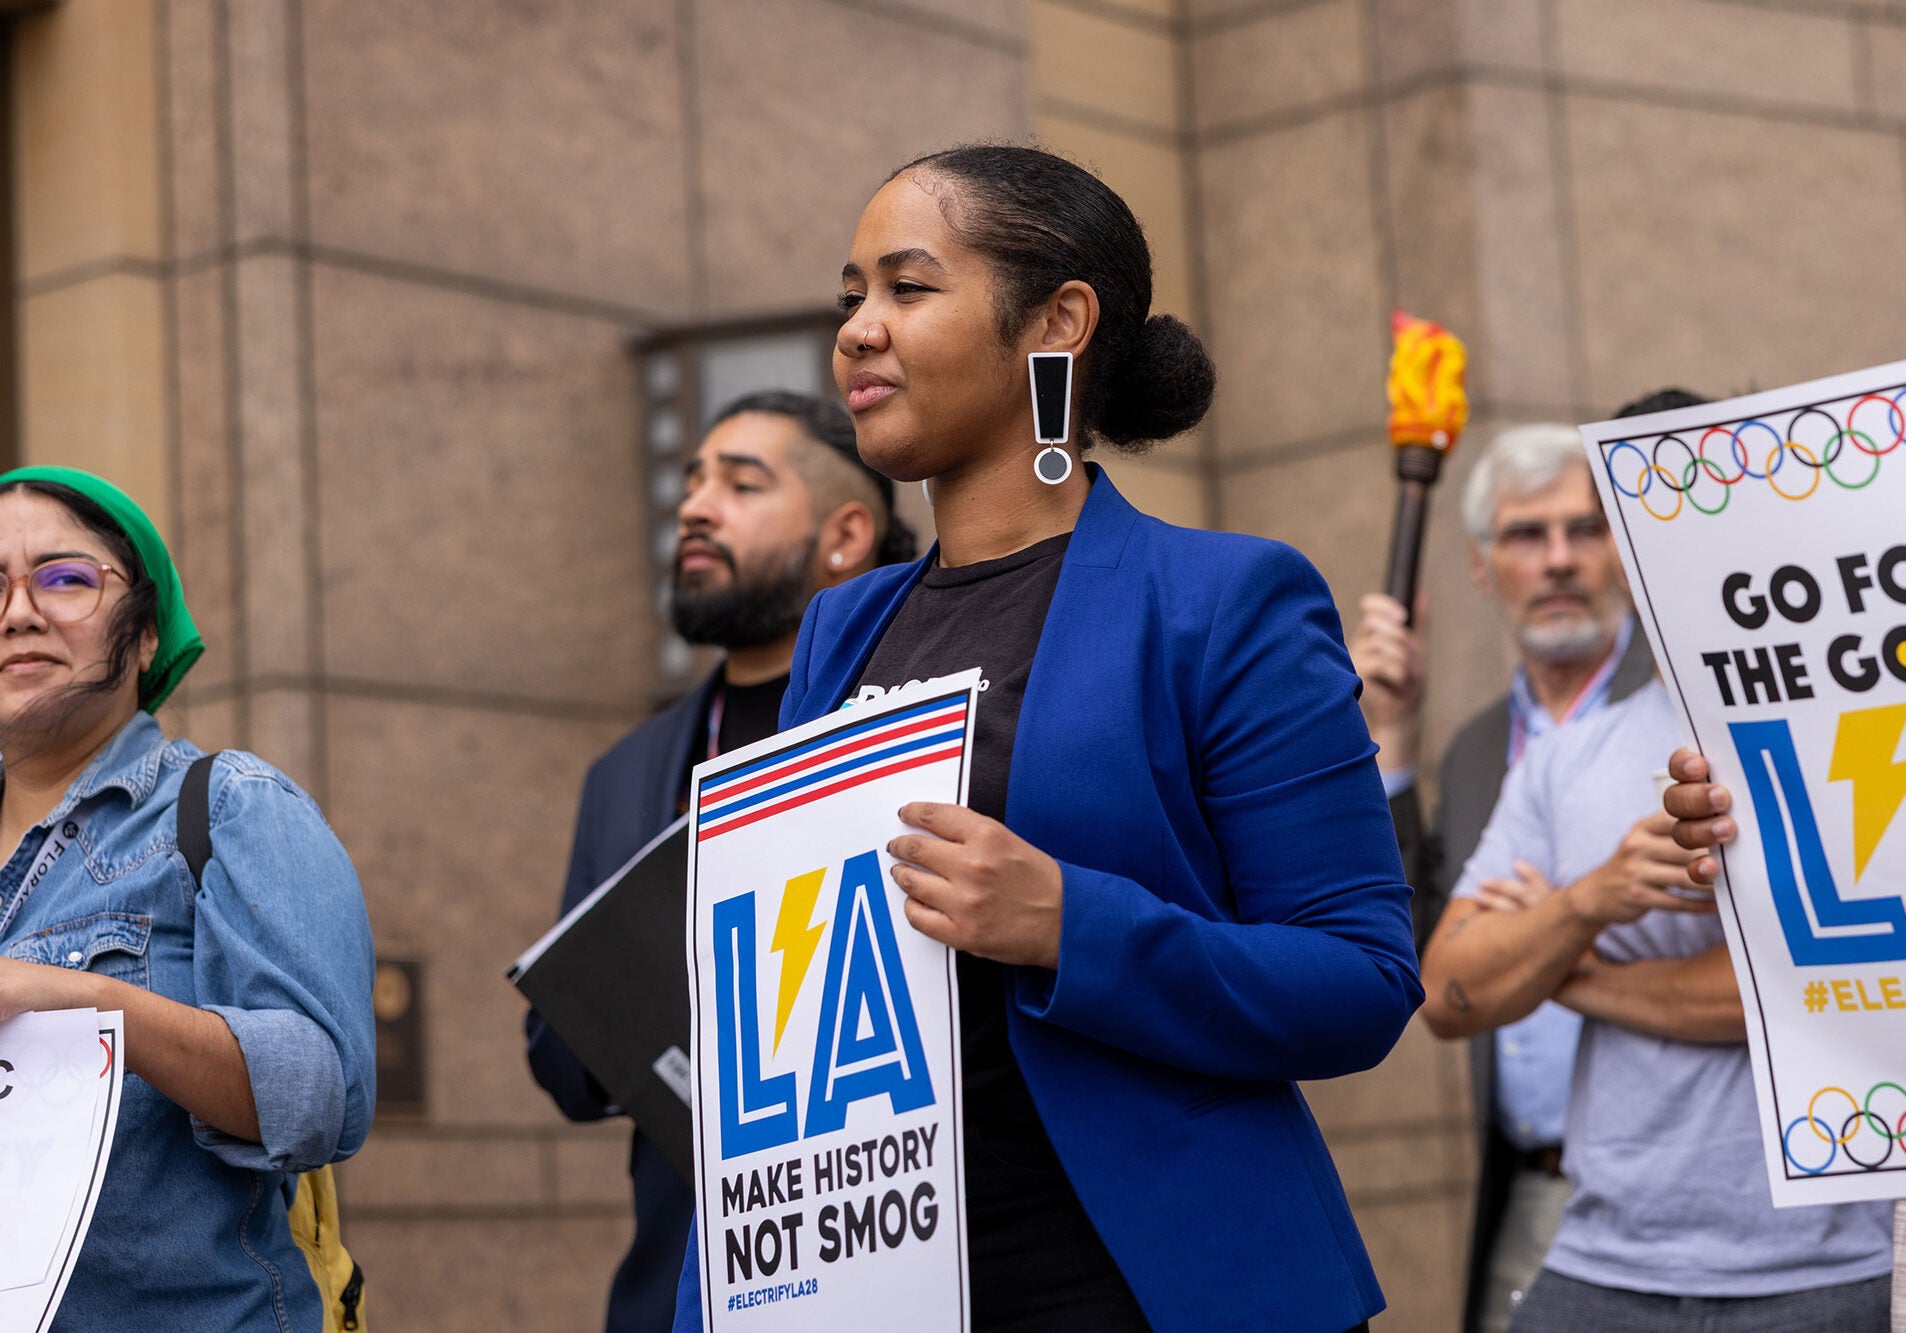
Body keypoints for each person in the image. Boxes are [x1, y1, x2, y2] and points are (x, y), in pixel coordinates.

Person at [673, 145, 1421, 1332]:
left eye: (907, 288)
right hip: (874, 1280)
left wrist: (1070, 923)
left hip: (1144, 1285)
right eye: (849, 297)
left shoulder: (1221, 600)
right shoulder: (837, 631)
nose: (858, 330)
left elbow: (1363, 981)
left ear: (1056, 322)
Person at [524, 390, 916, 1332]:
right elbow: (561, 1062)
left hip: (905, 1258)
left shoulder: (914, 713)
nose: (696, 505)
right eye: (693, 480)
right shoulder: (627, 774)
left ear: (847, 533)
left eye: (742, 484)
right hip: (689, 1286)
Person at [0, 466, 375, 1331]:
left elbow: (322, 1096)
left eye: (64, 578)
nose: (20, 610)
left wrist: (84, 999)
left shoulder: (232, 805)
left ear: (143, 639)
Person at [1418, 676, 1894, 1330]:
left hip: (1821, 1266)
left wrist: (1564, 965)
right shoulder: (1570, 754)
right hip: (1597, 1258)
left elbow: (1807, 986)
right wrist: (1592, 898)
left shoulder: (1859, 723)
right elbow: (1449, 993)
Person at [1350, 407, 1673, 1333]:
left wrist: (1536, 945)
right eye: (1527, 536)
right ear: (1484, 569)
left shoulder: (1679, 702)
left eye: (1584, 529)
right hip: (1531, 1190)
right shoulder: (1480, 747)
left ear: (1619, 550)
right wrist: (1395, 733)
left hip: (1683, 1178)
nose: (1561, 558)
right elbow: (1420, 949)